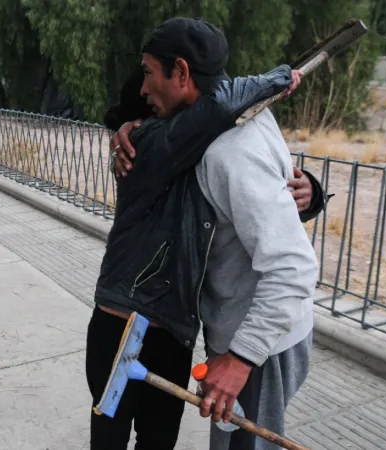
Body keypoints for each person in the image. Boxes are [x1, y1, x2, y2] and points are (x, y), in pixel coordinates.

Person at [87, 17, 324, 450]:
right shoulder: (195, 131)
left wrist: (240, 359)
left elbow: (292, 264)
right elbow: (216, 110)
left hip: (255, 341)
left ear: (181, 73)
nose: (144, 91)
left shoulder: (227, 146)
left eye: (148, 73)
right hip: (211, 329)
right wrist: (275, 79)